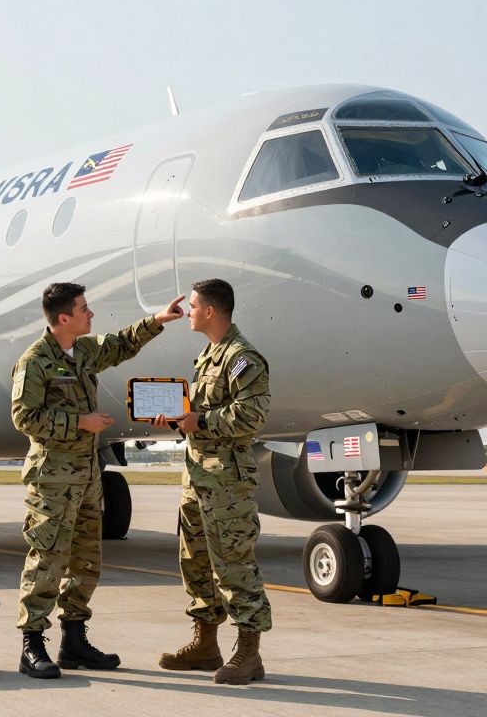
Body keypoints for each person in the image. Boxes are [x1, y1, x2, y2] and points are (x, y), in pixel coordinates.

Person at [11, 282, 184, 679]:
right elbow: (25, 418)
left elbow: (121, 344)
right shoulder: (34, 361)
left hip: (87, 478)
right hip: (53, 480)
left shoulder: (84, 351)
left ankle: (73, 640)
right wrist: (80, 422)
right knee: (47, 560)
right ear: (63, 318)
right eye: (84, 309)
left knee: (87, 561)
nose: (91, 315)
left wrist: (158, 320)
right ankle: (32, 645)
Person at [151, 278, 271, 685]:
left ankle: (249, 654)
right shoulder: (209, 355)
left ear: (212, 311)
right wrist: (176, 420)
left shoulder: (242, 358)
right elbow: (202, 414)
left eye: (195, 305)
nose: (190, 312)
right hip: (198, 476)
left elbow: (250, 417)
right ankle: (205, 644)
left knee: (234, 566)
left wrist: (199, 421)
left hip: (226, 483)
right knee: (196, 564)